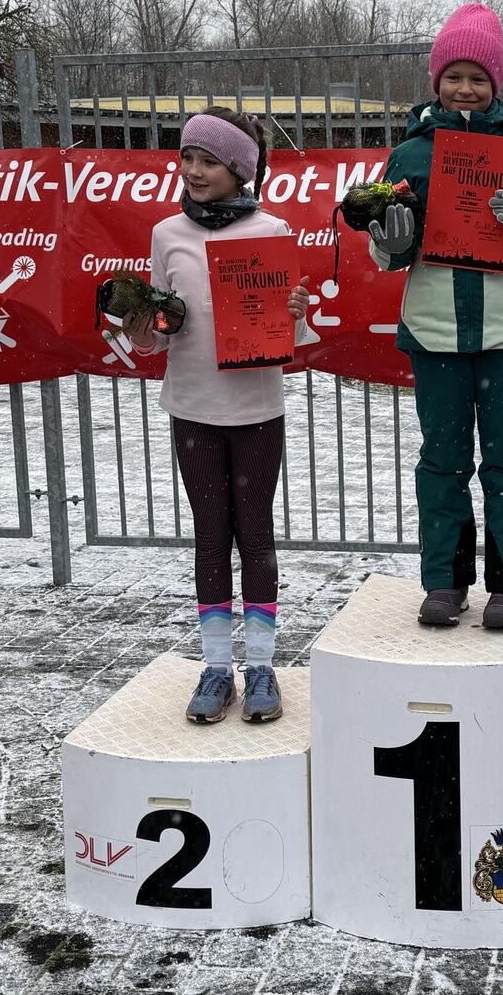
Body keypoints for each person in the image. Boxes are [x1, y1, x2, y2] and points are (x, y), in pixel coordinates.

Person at [365, 2, 503, 629]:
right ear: (436, 81)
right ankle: (445, 581)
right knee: (442, 461)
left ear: (495, 84)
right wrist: (392, 240)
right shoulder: (408, 156)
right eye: (453, 76)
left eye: (478, 78)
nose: (465, 88)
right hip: (434, 333)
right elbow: (383, 253)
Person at [128, 107, 312, 725]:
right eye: (187, 157)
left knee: (254, 533)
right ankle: (215, 667)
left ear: (240, 170)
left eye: (209, 161)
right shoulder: (166, 234)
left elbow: (292, 338)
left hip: (257, 409)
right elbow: (160, 330)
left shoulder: (271, 229)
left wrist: (295, 314)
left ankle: (260, 666)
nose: (194, 170)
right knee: (210, 536)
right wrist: (142, 328)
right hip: (193, 407)